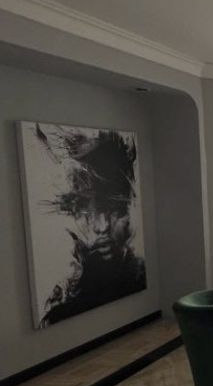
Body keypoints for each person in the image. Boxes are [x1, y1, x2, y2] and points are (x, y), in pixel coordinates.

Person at [34, 124, 147, 328]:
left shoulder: (137, 273)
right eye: (80, 208)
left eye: (116, 209)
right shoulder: (58, 300)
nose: (102, 226)